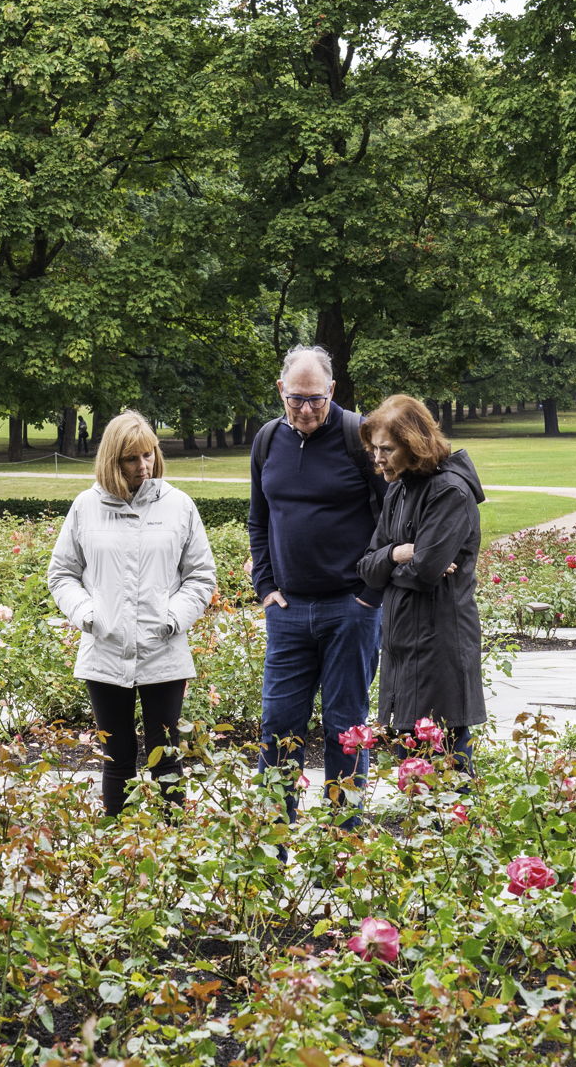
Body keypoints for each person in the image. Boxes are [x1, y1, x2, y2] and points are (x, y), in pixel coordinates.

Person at [47, 411, 218, 817]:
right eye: (132, 459)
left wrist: (172, 617)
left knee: (165, 758)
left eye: (149, 455)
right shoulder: (85, 507)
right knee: (117, 757)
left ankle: (169, 855)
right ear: (112, 461)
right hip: (104, 653)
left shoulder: (179, 506)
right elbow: (61, 574)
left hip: (164, 653)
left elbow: (200, 576)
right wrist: (88, 614)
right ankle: (117, 853)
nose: (144, 466)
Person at [248, 345, 385, 811]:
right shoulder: (267, 440)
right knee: (277, 729)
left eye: (316, 399)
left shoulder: (360, 437)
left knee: (345, 729)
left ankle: (342, 850)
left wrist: (370, 594)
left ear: (331, 390)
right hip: (287, 612)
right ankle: (271, 847)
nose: (306, 410)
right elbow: (258, 519)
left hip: (350, 609)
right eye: (296, 399)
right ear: (281, 390)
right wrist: (265, 587)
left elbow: (394, 516)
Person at [356, 394, 486, 766]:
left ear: (414, 445)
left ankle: (457, 827)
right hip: (403, 647)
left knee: (446, 765)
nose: (377, 458)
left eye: (387, 449)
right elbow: (366, 566)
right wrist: (400, 553)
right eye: (374, 449)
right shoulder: (398, 487)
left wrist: (406, 562)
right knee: (411, 763)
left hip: (438, 647)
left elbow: (427, 572)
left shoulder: (449, 491)